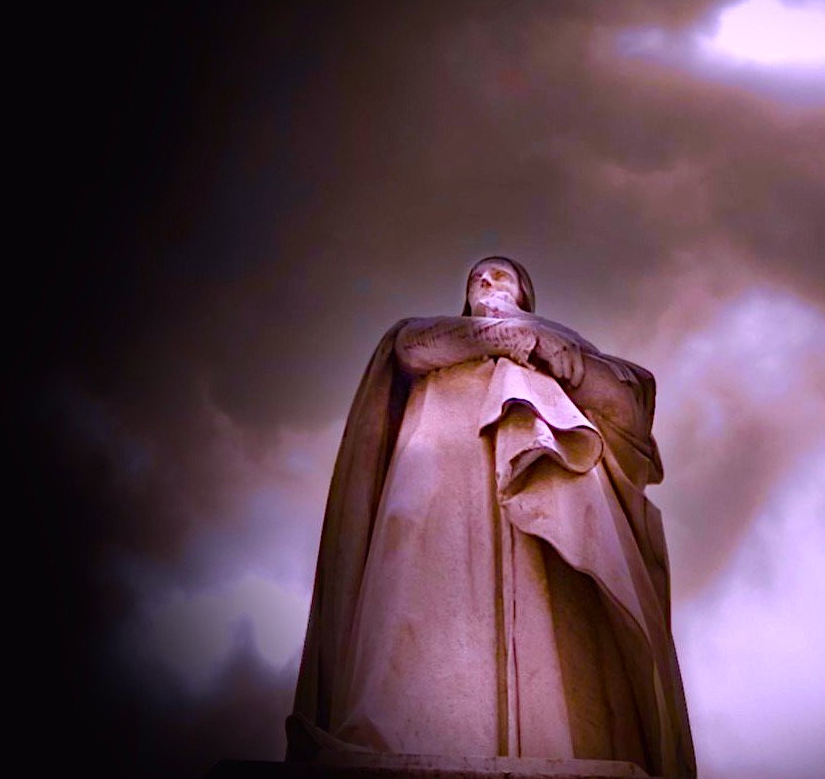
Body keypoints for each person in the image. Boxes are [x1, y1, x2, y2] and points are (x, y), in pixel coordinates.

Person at [288, 256, 695, 778]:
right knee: (415, 586)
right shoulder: (432, 337)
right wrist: (504, 338)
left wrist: (552, 350)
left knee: (542, 605)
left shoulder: (562, 342)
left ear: (526, 293)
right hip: (435, 473)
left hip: (539, 485)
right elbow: (411, 348)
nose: (484, 281)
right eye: (475, 277)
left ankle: (549, 734)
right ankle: (392, 727)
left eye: (499, 275)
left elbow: (625, 404)